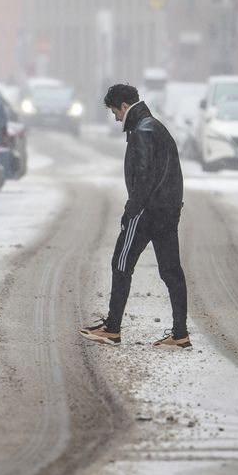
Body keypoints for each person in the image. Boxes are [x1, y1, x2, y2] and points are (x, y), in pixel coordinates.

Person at [78, 84, 192, 349]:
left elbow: (143, 177)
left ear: (124, 107)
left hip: (146, 213)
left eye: (115, 112)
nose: (116, 118)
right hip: (167, 211)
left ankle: (112, 328)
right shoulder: (155, 127)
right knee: (171, 271)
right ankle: (180, 333)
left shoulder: (142, 132)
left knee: (121, 264)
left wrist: (132, 211)